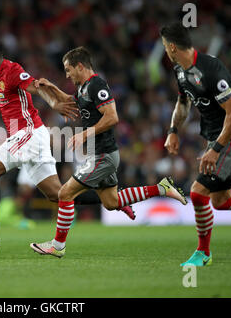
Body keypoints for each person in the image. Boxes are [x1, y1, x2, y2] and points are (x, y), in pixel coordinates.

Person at [0, 38, 134, 250]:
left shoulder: (12, 70)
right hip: (33, 137)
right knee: (58, 195)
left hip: (28, 133)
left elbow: (36, 87)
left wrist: (55, 103)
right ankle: (116, 202)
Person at [29, 46, 187, 258]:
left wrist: (84, 135)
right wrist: (50, 87)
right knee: (111, 202)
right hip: (101, 154)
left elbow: (112, 117)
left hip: (102, 155)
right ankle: (162, 189)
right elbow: (70, 102)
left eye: (68, 69)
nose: (67, 74)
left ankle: (57, 246)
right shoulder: (84, 88)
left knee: (65, 193)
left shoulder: (97, 85)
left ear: (80, 66)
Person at [160, 23, 231, 266]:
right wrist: (174, 130)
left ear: (172, 47)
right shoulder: (180, 71)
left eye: (165, 47)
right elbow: (183, 102)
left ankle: (203, 253)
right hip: (215, 139)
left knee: (197, 192)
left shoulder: (211, 69)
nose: (165, 51)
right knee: (221, 201)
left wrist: (215, 150)